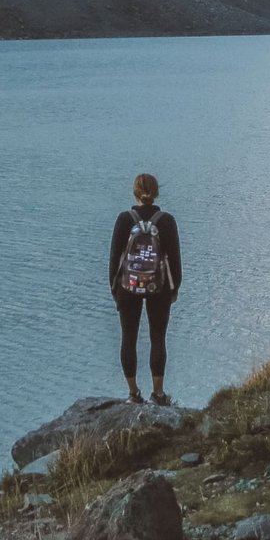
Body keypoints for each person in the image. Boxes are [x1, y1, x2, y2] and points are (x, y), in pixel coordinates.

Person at [109, 173, 181, 405]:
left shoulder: (123, 219)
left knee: (128, 338)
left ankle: (133, 394)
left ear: (135, 192)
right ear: (156, 192)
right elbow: (176, 261)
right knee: (157, 338)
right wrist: (174, 288)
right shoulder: (166, 220)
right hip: (158, 287)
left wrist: (114, 288)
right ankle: (158, 394)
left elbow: (113, 260)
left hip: (127, 287)